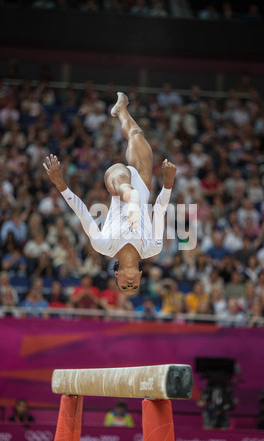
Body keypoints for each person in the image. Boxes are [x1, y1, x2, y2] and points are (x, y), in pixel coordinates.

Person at [43, 92, 176, 296]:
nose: (129, 285)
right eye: (134, 287)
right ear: (140, 276)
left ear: (117, 276)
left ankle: (130, 198)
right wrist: (168, 183)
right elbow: (159, 211)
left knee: (123, 184)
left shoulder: (103, 246)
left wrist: (61, 184)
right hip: (143, 184)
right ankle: (121, 109)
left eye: (124, 286)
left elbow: (83, 213)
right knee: (137, 134)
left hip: (117, 183)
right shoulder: (153, 248)